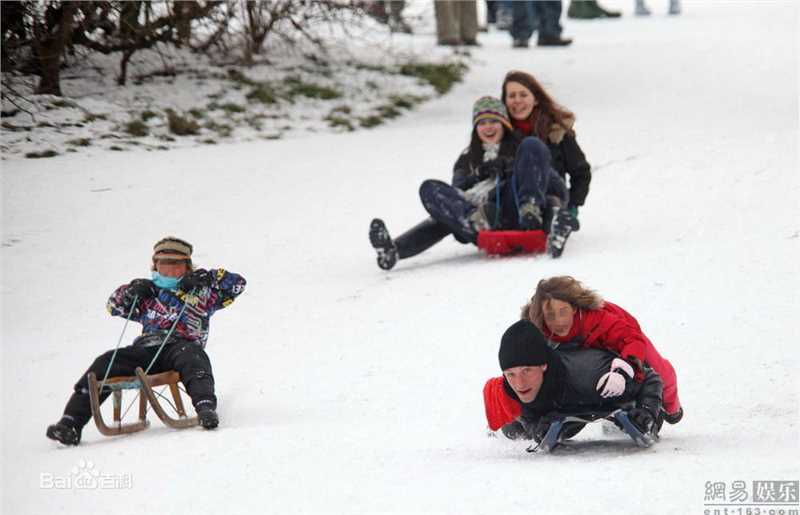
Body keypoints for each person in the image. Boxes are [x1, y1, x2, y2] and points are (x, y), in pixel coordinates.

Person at [46, 237, 247, 445]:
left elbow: (238, 284)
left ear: (187, 266)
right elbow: (113, 306)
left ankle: (205, 408)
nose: (169, 271)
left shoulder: (200, 291)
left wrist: (207, 278)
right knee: (106, 361)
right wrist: (131, 290)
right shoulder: (148, 292)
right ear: (155, 266)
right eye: (164, 264)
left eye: (176, 265)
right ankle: (70, 423)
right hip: (146, 349)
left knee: (193, 357)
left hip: (179, 347)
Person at [369, 96, 570, 270]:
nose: (488, 127)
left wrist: (512, 167)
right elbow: (456, 194)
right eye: (482, 122)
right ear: (475, 128)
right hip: (480, 217)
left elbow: (555, 186)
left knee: (533, 145)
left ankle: (542, 216)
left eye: (494, 121)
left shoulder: (522, 148)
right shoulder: (467, 159)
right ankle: (393, 251)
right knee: (430, 189)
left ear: (504, 124)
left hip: (518, 209)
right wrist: (478, 174)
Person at [521, 275, 683, 423]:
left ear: (575, 308)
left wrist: (623, 372)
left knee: (659, 371)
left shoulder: (597, 319)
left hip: (624, 337)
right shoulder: (536, 330)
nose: (558, 321)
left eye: (563, 312)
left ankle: (670, 409)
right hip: (582, 366)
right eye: (550, 315)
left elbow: (631, 340)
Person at [483, 319, 664, 444]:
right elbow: (529, 421)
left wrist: (647, 412)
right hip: (565, 405)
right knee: (513, 431)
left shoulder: (591, 374)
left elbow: (651, 378)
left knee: (638, 411)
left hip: (604, 388)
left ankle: (628, 412)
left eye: (527, 371)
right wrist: (538, 429)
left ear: (543, 366)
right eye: (510, 374)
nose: (519, 383)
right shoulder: (511, 390)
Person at [501, 70, 590, 249]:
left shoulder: (556, 131)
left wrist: (573, 205)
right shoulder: (498, 132)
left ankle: (556, 218)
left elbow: (581, 172)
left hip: (551, 190)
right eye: (511, 96)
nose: (517, 100)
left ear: (536, 99)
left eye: (523, 95)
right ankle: (543, 219)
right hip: (515, 199)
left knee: (531, 146)